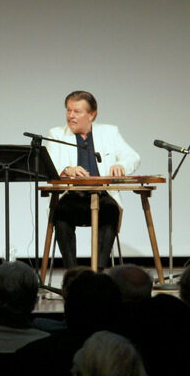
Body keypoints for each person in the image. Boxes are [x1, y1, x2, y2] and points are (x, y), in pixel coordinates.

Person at [46, 90, 140, 270]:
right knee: (60, 214)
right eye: (68, 110)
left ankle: (98, 272)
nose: (70, 116)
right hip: (71, 196)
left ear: (92, 115)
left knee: (111, 211)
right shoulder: (56, 134)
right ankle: (72, 274)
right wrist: (66, 170)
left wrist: (121, 165)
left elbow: (133, 157)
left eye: (76, 112)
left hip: (103, 195)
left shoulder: (109, 132)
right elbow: (49, 165)